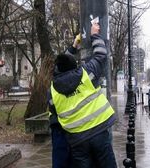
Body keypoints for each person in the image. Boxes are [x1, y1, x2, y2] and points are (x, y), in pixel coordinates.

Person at [48, 23, 117, 168]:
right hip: (99, 132)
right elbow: (100, 54)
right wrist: (95, 35)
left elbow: (61, 65)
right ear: (75, 66)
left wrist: (73, 47)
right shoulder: (87, 73)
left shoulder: (53, 90)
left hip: (77, 140)